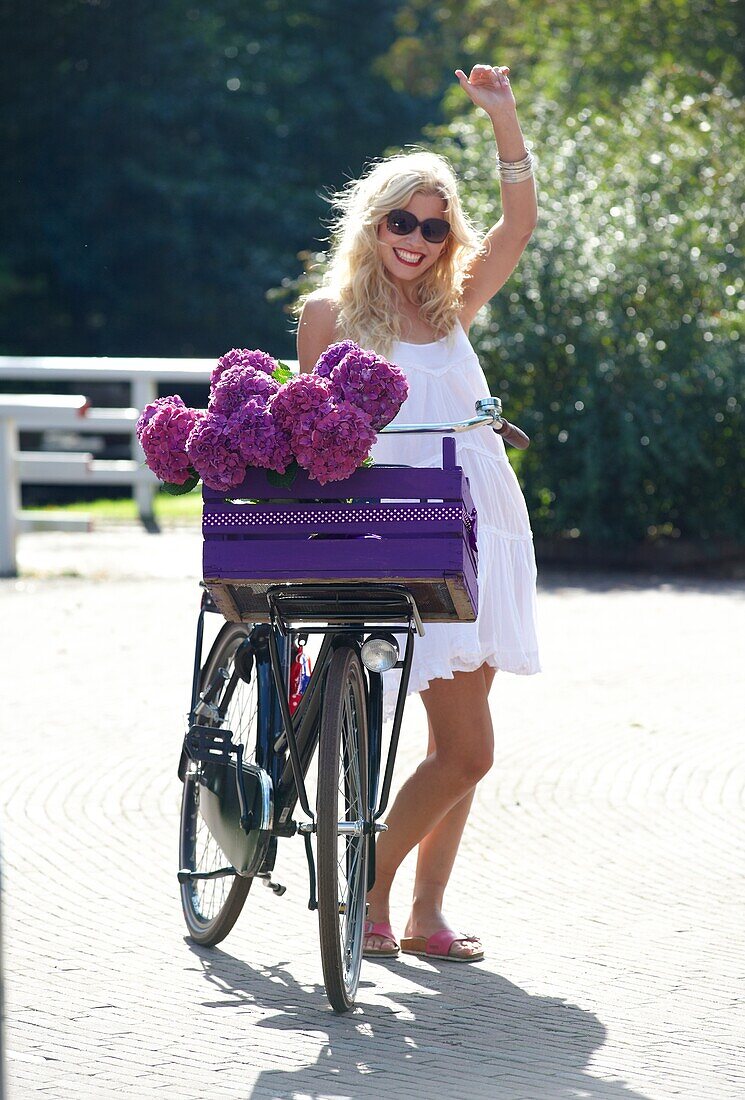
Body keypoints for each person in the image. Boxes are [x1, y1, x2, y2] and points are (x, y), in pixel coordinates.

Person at [296, 64, 540, 963]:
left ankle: (420, 914)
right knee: (467, 752)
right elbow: (313, 442)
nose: (419, 238)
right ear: (373, 221)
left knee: (456, 742)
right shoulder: (330, 316)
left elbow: (518, 226)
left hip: (481, 528)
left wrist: (502, 119)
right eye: (403, 221)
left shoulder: (452, 303)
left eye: (435, 227)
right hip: (399, 537)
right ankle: (362, 885)